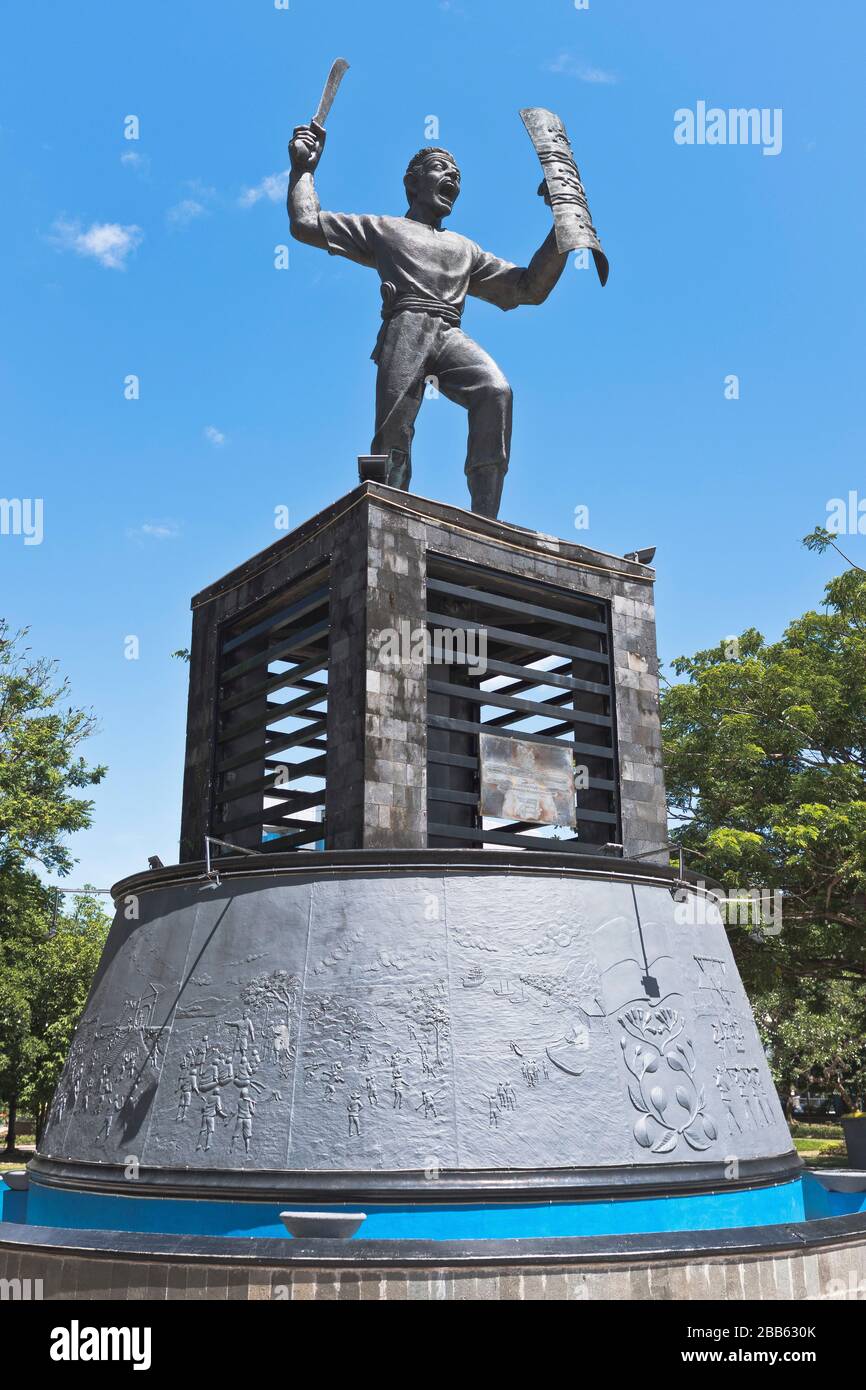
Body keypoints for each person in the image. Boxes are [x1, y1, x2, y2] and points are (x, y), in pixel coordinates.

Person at [288, 133, 570, 518]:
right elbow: (305, 224)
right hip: (406, 326)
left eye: (457, 174)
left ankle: (485, 520)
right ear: (412, 182)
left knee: (495, 391)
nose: (452, 176)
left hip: (449, 331)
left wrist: (562, 226)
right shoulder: (383, 228)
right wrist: (303, 170)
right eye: (441, 168)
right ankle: (388, 514)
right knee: (394, 431)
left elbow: (528, 288)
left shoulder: (464, 248)